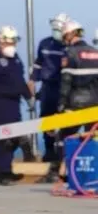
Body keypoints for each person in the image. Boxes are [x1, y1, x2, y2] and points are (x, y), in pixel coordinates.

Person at [0, 25, 32, 185]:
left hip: (14, 103)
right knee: (4, 139)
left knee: (14, 138)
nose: (12, 45)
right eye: (10, 41)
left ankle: (6, 169)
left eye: (14, 42)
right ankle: (2, 172)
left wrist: (28, 97)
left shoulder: (16, 59)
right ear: (1, 41)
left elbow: (20, 81)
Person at [51, 21, 98, 178]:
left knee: (64, 137)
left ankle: (63, 172)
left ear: (70, 35)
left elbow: (66, 82)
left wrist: (61, 105)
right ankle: (90, 174)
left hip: (75, 104)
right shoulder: (95, 52)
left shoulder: (69, 53)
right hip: (95, 105)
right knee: (92, 138)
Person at [34, 13, 71, 169]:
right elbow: (38, 65)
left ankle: (63, 153)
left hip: (64, 88)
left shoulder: (69, 47)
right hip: (47, 87)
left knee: (64, 121)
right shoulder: (45, 44)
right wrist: (33, 84)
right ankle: (49, 151)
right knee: (47, 120)